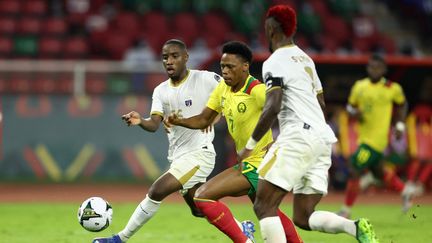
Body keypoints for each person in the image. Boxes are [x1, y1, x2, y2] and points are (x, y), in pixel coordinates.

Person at [237, 5, 379, 243]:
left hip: (297, 136)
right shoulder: (306, 59)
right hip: (322, 139)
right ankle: (354, 228)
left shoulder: (274, 62)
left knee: (263, 204)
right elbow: (321, 103)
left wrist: (249, 146)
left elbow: (272, 106)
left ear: (271, 29)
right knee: (303, 216)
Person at [167, 41, 302, 243]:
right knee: (268, 211)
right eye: (223, 67)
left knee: (202, 196)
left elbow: (284, 108)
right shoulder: (223, 88)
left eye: (230, 67)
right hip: (248, 163)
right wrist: (179, 121)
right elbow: (204, 119)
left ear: (245, 66)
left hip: (259, 164)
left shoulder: (256, 91)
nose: (225, 71)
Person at [92, 39, 220, 243]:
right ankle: (243, 227)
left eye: (174, 56)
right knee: (199, 209)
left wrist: (215, 116)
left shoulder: (205, 79)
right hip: (179, 157)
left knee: (156, 191)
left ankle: (119, 239)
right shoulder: (161, 90)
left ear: (186, 57)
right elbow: (154, 124)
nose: (169, 61)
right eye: (165, 57)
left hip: (200, 153)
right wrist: (140, 120)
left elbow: (231, 92)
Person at [337, 54, 416, 218]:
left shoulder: (392, 88)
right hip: (363, 137)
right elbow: (350, 108)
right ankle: (405, 191)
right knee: (379, 173)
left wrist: (400, 125)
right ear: (368, 68)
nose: (374, 70)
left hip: (377, 140)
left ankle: (346, 210)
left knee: (354, 167)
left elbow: (402, 105)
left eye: (378, 67)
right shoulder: (360, 86)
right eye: (372, 67)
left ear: (384, 70)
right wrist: (355, 112)